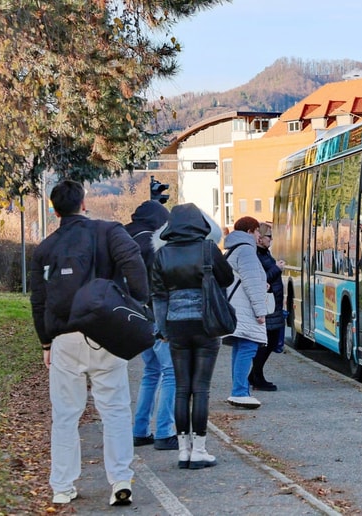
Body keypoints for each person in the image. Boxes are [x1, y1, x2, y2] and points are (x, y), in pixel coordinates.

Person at [29, 179, 148, 506]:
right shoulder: (109, 232)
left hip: (65, 337)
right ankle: (120, 479)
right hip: (107, 331)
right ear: (84, 204)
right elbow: (133, 261)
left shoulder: (45, 248)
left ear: (54, 211)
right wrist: (138, 303)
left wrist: (45, 343)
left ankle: (63, 486)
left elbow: (38, 300)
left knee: (65, 414)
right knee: (115, 409)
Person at [151, 203, 234, 470]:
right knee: (201, 388)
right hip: (206, 323)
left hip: (176, 326)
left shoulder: (162, 255)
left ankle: (183, 450)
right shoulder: (208, 249)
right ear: (200, 224)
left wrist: (162, 329)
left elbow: (158, 295)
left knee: (181, 387)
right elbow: (227, 278)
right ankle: (200, 450)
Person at [124, 201, 177, 451]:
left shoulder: (124, 236)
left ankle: (140, 430)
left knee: (151, 372)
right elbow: (160, 284)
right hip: (155, 315)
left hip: (134, 316)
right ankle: (165, 431)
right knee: (170, 373)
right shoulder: (152, 244)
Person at [222, 216, 268, 407]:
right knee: (248, 347)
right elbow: (251, 283)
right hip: (245, 309)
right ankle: (239, 391)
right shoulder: (247, 251)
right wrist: (260, 311)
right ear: (250, 231)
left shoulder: (233, 249)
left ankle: (238, 390)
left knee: (240, 347)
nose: (259, 235)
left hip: (235, 307)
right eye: (258, 231)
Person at [250, 222, 286, 391]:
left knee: (271, 342)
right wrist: (276, 269)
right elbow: (260, 278)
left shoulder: (264, 253)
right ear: (261, 238)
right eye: (269, 236)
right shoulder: (256, 254)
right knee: (267, 343)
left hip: (273, 305)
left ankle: (256, 375)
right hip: (267, 306)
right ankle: (256, 376)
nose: (271, 239)